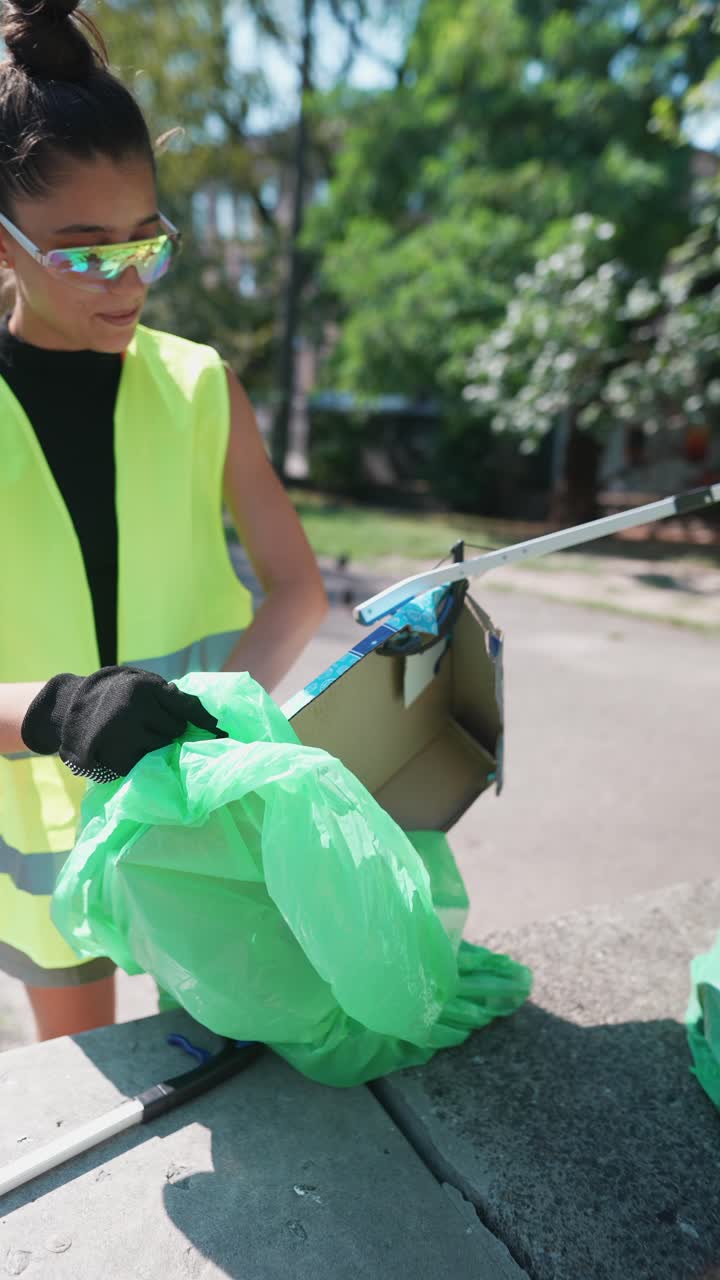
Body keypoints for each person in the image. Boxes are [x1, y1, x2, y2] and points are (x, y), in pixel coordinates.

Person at [0, 0, 328, 1042]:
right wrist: (55, 710)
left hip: (197, 798)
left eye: (149, 242)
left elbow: (297, 586)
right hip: (38, 824)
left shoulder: (201, 386)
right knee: (84, 1084)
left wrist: (217, 713)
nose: (130, 280)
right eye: (86, 253)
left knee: (222, 1052)